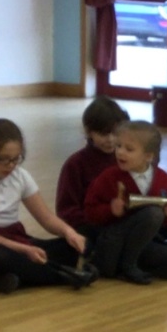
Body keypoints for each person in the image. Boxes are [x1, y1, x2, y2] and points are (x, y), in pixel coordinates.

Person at [0, 118, 94, 292]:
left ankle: (6, 277)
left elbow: (46, 218)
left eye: (16, 159)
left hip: (15, 237)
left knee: (75, 243)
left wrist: (69, 233)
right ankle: (62, 276)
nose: (10, 166)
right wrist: (24, 249)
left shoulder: (20, 175)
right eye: (3, 159)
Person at [82, 121, 167, 285]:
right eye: (119, 146)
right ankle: (127, 265)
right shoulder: (109, 177)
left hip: (144, 243)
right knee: (153, 214)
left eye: (129, 149)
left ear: (148, 156)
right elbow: (89, 212)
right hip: (114, 239)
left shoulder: (163, 179)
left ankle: (130, 263)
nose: (120, 152)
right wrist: (110, 210)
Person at [55, 97, 131, 233]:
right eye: (103, 134)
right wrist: (101, 216)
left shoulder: (127, 159)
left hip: (125, 226)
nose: (110, 139)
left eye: (115, 133)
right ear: (89, 131)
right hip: (92, 228)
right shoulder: (75, 164)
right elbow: (66, 211)